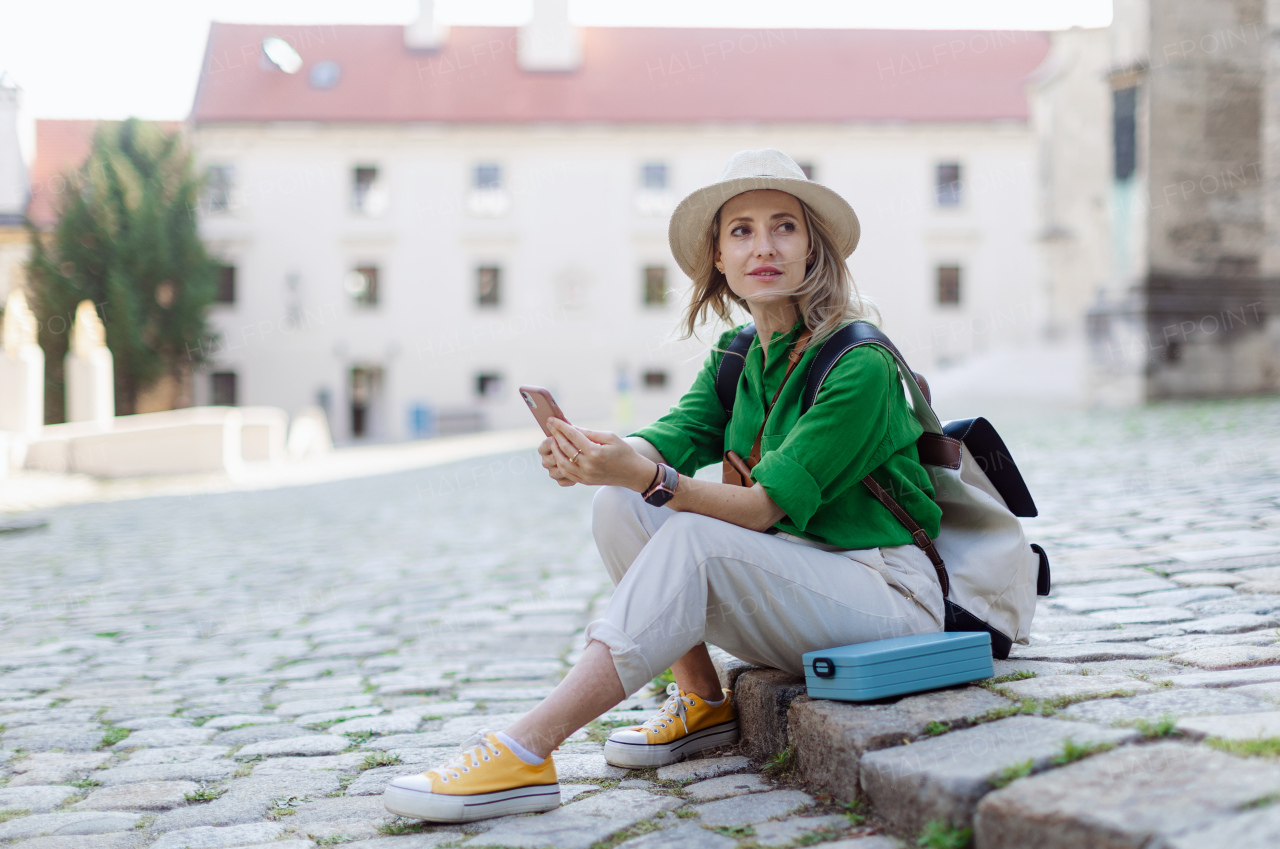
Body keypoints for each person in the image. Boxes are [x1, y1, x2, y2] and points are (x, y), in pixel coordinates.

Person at [382, 149, 945, 823]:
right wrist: (601, 455)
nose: (763, 246)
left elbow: (763, 509)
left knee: (690, 534)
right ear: (717, 256)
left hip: (890, 597)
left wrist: (649, 475)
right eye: (740, 230)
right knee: (617, 504)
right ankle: (703, 703)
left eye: (783, 227)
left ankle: (525, 747)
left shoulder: (861, 363)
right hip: (812, 585)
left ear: (812, 247)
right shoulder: (740, 354)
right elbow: (670, 438)